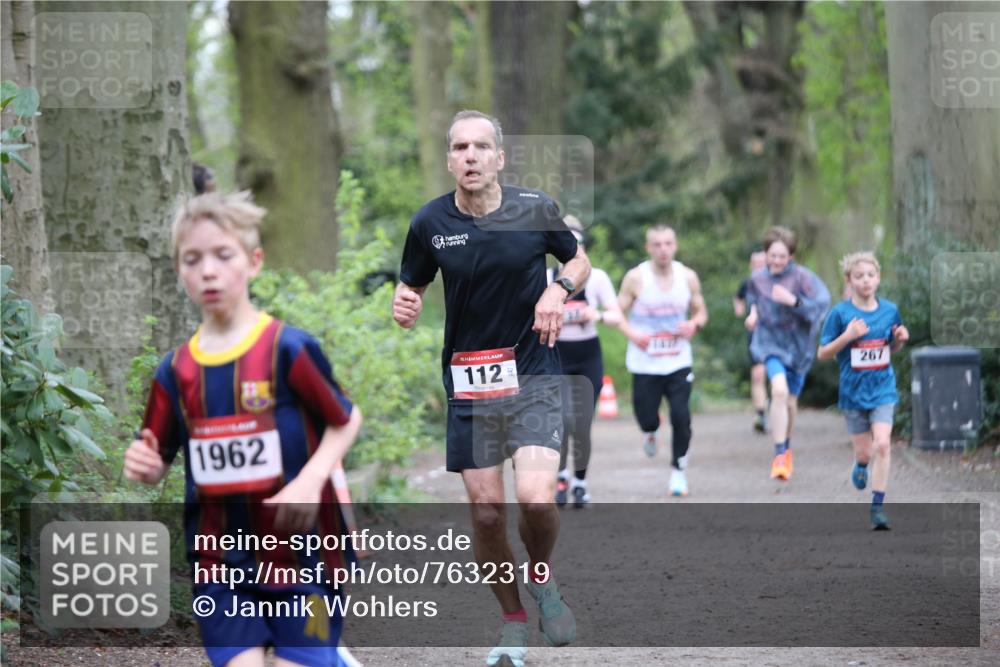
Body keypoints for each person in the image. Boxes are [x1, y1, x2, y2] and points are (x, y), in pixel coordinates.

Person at [123, 192, 363, 667]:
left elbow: (345, 418)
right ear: (179, 273)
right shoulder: (175, 371)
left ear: (253, 262)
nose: (208, 270)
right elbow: (156, 457)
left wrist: (311, 480)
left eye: (222, 255)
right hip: (221, 566)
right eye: (192, 260)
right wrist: (144, 464)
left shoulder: (288, 349)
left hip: (305, 558)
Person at [392, 110, 590, 667]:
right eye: (460, 147)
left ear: (500, 157)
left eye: (481, 146)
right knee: (484, 515)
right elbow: (412, 285)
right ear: (450, 158)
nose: (471, 156)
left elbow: (578, 258)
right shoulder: (429, 222)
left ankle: (543, 578)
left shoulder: (534, 209)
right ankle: (513, 621)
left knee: (534, 499)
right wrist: (404, 303)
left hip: (533, 376)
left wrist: (558, 291)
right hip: (469, 383)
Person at [818, 252, 908, 530]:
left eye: (871, 275)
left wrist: (900, 341)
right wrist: (848, 336)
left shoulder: (890, 310)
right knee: (865, 454)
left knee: (882, 444)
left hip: (882, 388)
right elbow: (822, 353)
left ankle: (877, 506)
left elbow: (888, 348)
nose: (866, 281)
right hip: (853, 393)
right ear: (849, 281)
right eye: (859, 276)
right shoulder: (840, 313)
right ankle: (860, 464)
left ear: (878, 278)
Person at [617, 225, 708, 497]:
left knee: (681, 416)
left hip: (678, 361)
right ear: (649, 249)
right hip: (645, 363)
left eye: (668, 243)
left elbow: (701, 312)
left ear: (675, 246)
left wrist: (694, 324)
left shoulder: (688, 277)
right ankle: (650, 430)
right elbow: (615, 312)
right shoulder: (635, 278)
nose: (663, 249)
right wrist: (632, 333)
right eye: (657, 244)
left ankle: (678, 471)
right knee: (646, 418)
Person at [744, 226, 831, 481]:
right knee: (778, 392)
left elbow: (821, 306)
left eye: (782, 256)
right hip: (770, 343)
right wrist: (752, 316)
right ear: (766, 254)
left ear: (791, 256)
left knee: (790, 403)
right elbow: (754, 302)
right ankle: (779, 454)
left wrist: (794, 301)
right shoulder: (757, 278)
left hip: (798, 347)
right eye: (772, 255)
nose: (777, 261)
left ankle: (787, 447)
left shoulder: (804, 278)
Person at [548, 216, 623, 508]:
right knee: (563, 420)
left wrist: (598, 316)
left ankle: (580, 481)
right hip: (558, 355)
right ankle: (562, 476)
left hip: (588, 354)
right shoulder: (547, 277)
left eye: (576, 243)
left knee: (582, 423)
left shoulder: (599, 278)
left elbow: (617, 315)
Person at [734, 250, 769, 433]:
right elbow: (738, 298)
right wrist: (740, 310)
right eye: (756, 263)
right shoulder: (746, 284)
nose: (759, 266)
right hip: (755, 334)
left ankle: (782, 407)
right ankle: (761, 414)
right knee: (757, 375)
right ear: (751, 265)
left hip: (778, 336)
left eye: (763, 262)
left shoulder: (777, 283)